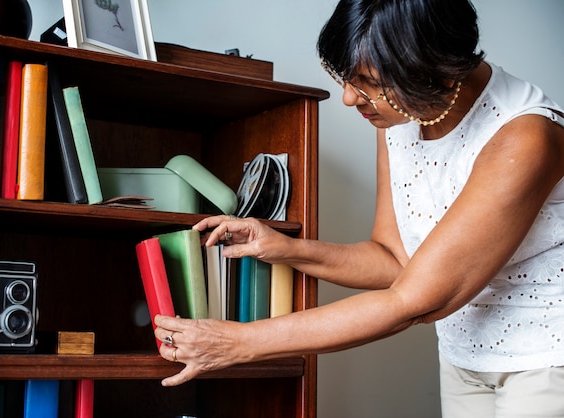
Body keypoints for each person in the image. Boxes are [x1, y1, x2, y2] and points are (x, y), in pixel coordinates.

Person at [154, 0, 564, 416]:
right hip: (463, 356)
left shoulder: (526, 137)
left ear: (432, 68)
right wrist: (285, 248)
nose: (349, 97)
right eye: (346, 77)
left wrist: (237, 342)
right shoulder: (401, 114)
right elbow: (394, 260)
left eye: (367, 81)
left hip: (547, 360)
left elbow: (412, 300)